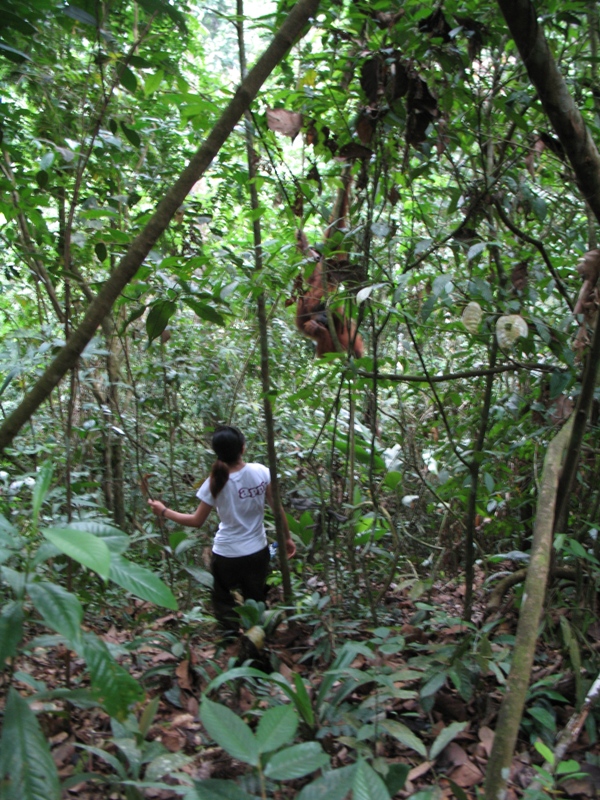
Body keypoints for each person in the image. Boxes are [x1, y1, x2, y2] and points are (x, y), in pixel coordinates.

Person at [148, 425, 296, 632]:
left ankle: (230, 639)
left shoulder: (214, 482)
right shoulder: (261, 472)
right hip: (257, 553)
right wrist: (287, 538)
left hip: (227, 555)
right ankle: (258, 641)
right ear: (242, 448)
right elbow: (277, 509)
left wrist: (164, 511)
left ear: (217, 453)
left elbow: (196, 521)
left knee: (222, 600)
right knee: (256, 599)